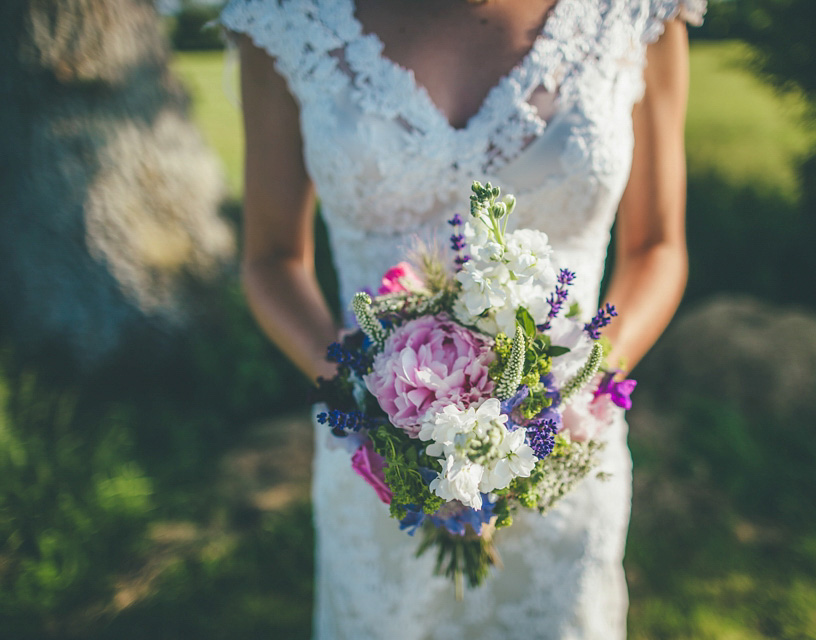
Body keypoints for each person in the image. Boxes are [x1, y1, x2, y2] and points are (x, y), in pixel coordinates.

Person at [221, 0, 704, 637]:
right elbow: (272, 258)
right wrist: (370, 402)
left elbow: (658, 249)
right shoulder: (288, 16)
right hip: (376, 463)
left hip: (565, 458)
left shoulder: (637, 11)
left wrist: (571, 396)